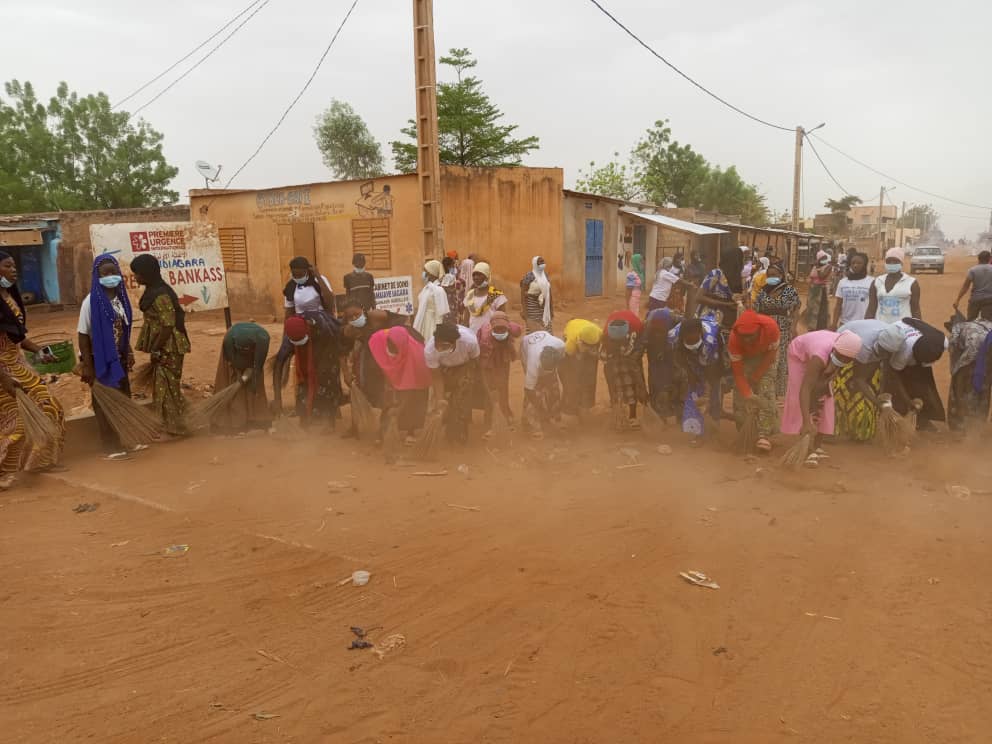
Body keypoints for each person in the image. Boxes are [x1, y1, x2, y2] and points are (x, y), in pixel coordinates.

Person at [0, 251, 64, 483]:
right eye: (8, 266)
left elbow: (16, 337)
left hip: (18, 365)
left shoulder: (10, 297)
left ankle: (39, 462)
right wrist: (4, 378)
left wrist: (39, 351)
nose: (14, 269)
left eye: (14, 265)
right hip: (3, 371)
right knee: (14, 423)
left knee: (50, 407)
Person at [78, 254, 135, 459]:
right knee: (104, 403)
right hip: (99, 359)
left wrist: (128, 350)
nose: (111, 276)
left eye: (114, 272)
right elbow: (83, 335)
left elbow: (122, 328)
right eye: (106, 273)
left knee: (123, 398)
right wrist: (87, 365)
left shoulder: (120, 300)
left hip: (118, 357)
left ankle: (124, 439)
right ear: (97, 276)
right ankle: (110, 445)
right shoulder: (90, 302)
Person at [780, 330, 863, 464]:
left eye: (846, 360)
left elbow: (825, 382)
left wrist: (826, 379)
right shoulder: (819, 357)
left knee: (825, 397)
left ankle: (817, 446)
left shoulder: (845, 351)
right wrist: (807, 421)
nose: (842, 361)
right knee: (801, 393)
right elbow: (806, 388)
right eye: (840, 357)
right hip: (799, 356)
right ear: (835, 350)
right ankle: (807, 445)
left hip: (822, 352)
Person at [131, 253, 190, 437]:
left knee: (168, 388)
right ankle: (173, 425)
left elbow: (168, 325)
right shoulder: (153, 290)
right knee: (164, 387)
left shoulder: (161, 295)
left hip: (169, 347)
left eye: (138, 274)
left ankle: (177, 427)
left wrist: (156, 349)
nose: (136, 277)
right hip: (165, 346)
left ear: (147, 274)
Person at [833, 319, 907, 442]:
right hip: (845, 345)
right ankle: (838, 430)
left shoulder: (895, 341)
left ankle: (859, 430)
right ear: (879, 345)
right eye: (884, 352)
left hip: (864, 346)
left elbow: (885, 369)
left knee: (871, 387)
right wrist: (877, 402)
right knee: (845, 388)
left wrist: (881, 393)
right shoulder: (865, 346)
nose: (886, 356)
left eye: (888, 354)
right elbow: (859, 379)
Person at [274, 315, 343, 428]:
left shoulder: (322, 329)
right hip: (304, 365)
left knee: (326, 384)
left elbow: (335, 353)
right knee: (303, 388)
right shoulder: (289, 339)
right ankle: (304, 421)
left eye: (301, 339)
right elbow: (278, 366)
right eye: (296, 341)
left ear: (308, 329)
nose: (299, 342)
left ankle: (329, 422)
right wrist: (277, 399)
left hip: (327, 357)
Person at [369, 325, 431, 446]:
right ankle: (383, 432)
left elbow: (409, 385)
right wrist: (388, 387)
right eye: (391, 348)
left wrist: (399, 408)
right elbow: (380, 365)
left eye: (396, 350)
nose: (392, 351)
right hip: (388, 372)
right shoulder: (378, 340)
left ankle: (410, 432)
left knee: (413, 401)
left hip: (411, 375)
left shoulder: (417, 355)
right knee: (388, 403)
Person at [424, 323, 486, 443]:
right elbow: (437, 378)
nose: (439, 348)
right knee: (438, 404)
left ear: (455, 342)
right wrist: (440, 399)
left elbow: (475, 362)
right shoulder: (430, 350)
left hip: (465, 365)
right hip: (443, 368)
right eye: (437, 344)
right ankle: (441, 429)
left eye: (444, 345)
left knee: (461, 401)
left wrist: (472, 379)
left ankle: (460, 431)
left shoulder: (469, 342)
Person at [729, 310, 781, 452]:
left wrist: (756, 377)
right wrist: (748, 394)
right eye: (743, 336)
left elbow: (771, 355)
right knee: (741, 396)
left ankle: (764, 434)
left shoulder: (771, 328)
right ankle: (745, 430)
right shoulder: (734, 340)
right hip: (745, 359)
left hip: (766, 356)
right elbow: (739, 374)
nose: (746, 339)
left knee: (766, 390)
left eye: (750, 336)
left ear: (759, 330)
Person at [883, 318, 947, 430]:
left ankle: (923, 419)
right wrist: (907, 400)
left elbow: (924, 374)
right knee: (898, 389)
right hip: (898, 355)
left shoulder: (942, 342)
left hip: (921, 352)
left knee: (924, 386)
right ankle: (899, 419)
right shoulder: (903, 351)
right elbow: (894, 375)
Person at [669, 316, 725, 441]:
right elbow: (679, 357)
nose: (691, 343)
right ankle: (696, 431)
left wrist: (707, 392)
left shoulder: (711, 341)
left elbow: (712, 369)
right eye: (688, 341)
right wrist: (690, 373)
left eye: (694, 340)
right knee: (693, 394)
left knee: (714, 394)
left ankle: (713, 427)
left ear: (700, 334)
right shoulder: (674, 338)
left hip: (712, 362)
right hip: (691, 360)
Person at [214, 322, 271, 433]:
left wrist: (251, 376)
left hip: (253, 350)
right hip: (233, 351)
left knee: (255, 383)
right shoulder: (228, 340)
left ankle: (256, 418)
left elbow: (258, 366)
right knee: (233, 378)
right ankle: (234, 422)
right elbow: (234, 362)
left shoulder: (263, 339)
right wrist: (242, 378)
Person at [754, 261, 801, 396]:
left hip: (783, 327)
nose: (771, 277)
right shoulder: (763, 291)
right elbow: (757, 309)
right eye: (769, 275)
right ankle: (764, 388)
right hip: (765, 328)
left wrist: (794, 326)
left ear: (781, 275)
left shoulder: (789, 290)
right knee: (765, 357)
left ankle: (778, 390)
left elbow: (796, 308)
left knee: (781, 358)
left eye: (774, 275)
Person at [947, 306, 992, 431]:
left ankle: (959, 425)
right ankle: (978, 424)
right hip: (986, 363)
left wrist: (955, 370)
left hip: (966, 363)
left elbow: (952, 347)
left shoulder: (960, 327)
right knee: (983, 391)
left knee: (960, 392)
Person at [477, 310, 522, 434]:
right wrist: (487, 379)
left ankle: (505, 414)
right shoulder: (485, 339)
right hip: (489, 360)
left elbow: (518, 331)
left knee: (503, 387)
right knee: (490, 390)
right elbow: (482, 362)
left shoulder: (513, 329)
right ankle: (488, 421)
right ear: (492, 328)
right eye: (497, 330)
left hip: (503, 358)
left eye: (503, 330)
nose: (500, 332)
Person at [601, 310, 647, 430]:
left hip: (630, 362)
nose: (617, 344)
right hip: (614, 365)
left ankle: (632, 416)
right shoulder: (606, 335)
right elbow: (603, 357)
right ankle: (618, 414)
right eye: (615, 342)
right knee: (616, 388)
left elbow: (640, 348)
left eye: (620, 342)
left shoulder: (635, 331)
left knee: (631, 387)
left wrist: (640, 383)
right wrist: (611, 357)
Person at [520, 330, 566, 438]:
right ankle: (529, 423)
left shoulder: (560, 346)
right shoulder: (533, 363)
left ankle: (555, 418)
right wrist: (539, 407)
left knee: (554, 388)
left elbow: (562, 363)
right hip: (526, 347)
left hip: (545, 343)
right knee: (534, 392)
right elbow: (528, 390)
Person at [560, 318, 602, 419]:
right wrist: (580, 353)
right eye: (589, 347)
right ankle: (569, 409)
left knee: (590, 377)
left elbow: (599, 353)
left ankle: (586, 405)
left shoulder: (599, 333)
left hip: (586, 331)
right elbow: (565, 369)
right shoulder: (570, 345)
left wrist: (594, 353)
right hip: (573, 334)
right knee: (571, 380)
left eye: (593, 347)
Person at [866, 247, 921, 324]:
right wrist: (866, 326)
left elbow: (915, 310)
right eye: (888, 261)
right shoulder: (877, 282)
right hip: (880, 328)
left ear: (901, 263)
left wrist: (919, 328)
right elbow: (871, 309)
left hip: (903, 329)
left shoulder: (911, 283)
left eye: (895, 261)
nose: (891, 264)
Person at [697, 244, 742, 334]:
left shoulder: (737, 277)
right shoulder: (716, 274)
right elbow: (699, 297)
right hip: (710, 320)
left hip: (729, 322)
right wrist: (725, 304)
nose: (743, 262)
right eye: (741, 259)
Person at [644, 307, 679, 421]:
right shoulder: (648, 326)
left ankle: (673, 407)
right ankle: (656, 407)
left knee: (672, 373)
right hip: (653, 347)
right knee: (654, 373)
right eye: (657, 331)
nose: (659, 333)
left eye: (661, 331)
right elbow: (643, 343)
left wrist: (667, 349)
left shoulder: (677, 321)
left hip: (672, 346)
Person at [831, 252, 872, 329]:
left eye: (859, 263)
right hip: (845, 324)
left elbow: (874, 305)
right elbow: (838, 305)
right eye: (853, 263)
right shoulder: (843, 282)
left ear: (865, 265)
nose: (855, 265)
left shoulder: (871, 282)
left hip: (864, 324)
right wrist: (834, 324)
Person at [464, 262, 508, 333]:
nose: (475, 277)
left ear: (487, 276)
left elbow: (501, 320)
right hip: (473, 336)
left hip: (491, 337)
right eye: (474, 275)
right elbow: (466, 320)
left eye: (479, 274)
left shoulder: (496, 295)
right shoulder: (469, 295)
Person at [413, 259, 450, 341]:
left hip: (432, 323)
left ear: (431, 273)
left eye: (425, 271)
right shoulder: (426, 289)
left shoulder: (439, 290)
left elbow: (441, 314)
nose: (423, 274)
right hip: (423, 321)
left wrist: (438, 331)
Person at [953, 250, 992, 321]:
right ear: (989, 259)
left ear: (978, 259)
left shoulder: (972, 270)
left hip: (975, 299)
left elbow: (965, 287)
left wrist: (957, 300)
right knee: (988, 323)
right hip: (989, 300)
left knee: (971, 321)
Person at [519, 256, 553, 332]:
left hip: (544, 308)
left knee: (546, 329)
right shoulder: (529, 276)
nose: (542, 264)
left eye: (543, 262)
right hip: (532, 308)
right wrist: (524, 311)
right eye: (540, 262)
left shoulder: (545, 276)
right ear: (535, 264)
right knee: (533, 330)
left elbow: (549, 293)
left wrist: (551, 309)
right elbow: (523, 293)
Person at [806, 250, 833, 331]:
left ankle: (822, 327)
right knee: (811, 308)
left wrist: (817, 268)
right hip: (813, 289)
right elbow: (810, 277)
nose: (824, 259)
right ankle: (812, 326)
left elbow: (822, 277)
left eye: (825, 258)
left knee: (821, 309)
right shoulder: (815, 266)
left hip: (822, 290)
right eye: (822, 258)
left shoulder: (828, 266)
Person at [440, 256, 463, 324]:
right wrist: (454, 289)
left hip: (448, 300)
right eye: (453, 265)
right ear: (448, 266)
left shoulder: (445, 276)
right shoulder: (450, 276)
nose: (454, 267)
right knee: (453, 317)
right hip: (451, 300)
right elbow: (445, 287)